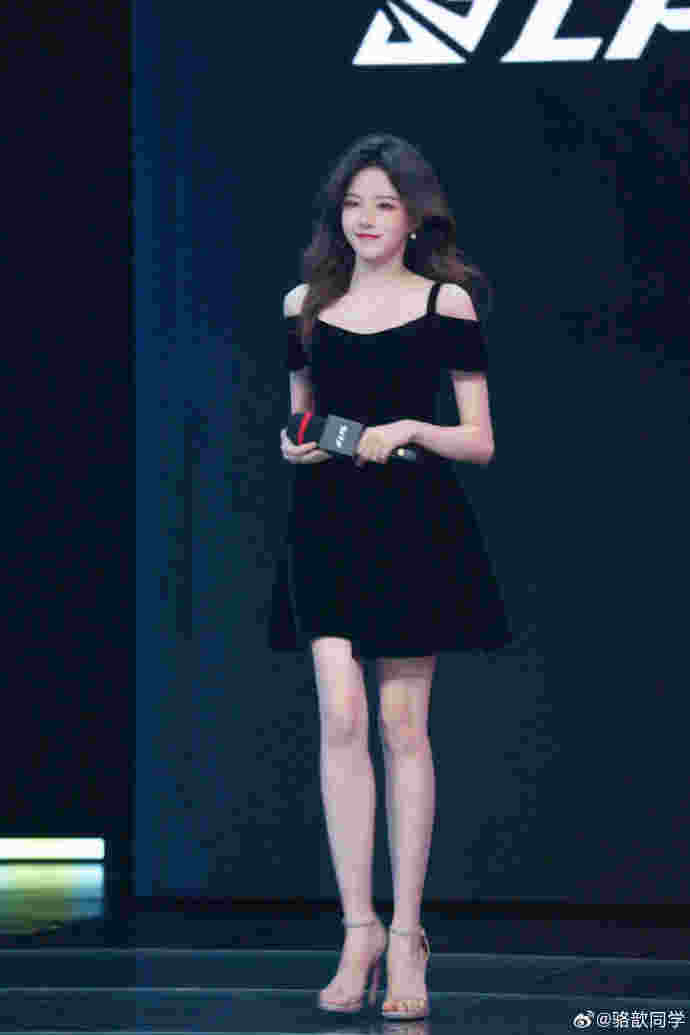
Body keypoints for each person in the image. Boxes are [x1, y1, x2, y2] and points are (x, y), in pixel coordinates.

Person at [269, 133, 512, 1019]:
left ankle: (407, 935)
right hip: (326, 519)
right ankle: (357, 928)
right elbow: (297, 421)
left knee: (401, 724)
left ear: (414, 217)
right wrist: (299, 446)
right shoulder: (304, 303)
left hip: (413, 520)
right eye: (353, 204)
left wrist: (409, 427)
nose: (366, 219)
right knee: (339, 716)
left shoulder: (446, 301)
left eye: (383, 204)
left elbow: (479, 439)